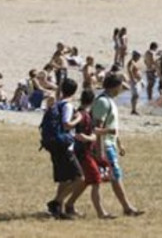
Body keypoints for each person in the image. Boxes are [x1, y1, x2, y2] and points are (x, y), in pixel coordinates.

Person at [92, 73, 144, 217]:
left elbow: (112, 126)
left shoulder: (110, 100)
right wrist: (100, 149)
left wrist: (119, 144)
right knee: (114, 175)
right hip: (105, 145)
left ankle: (66, 203)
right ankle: (127, 208)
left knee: (90, 180)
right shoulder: (103, 102)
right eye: (121, 85)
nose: (123, 88)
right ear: (116, 86)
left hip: (111, 143)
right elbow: (98, 128)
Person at [66, 89, 112, 219]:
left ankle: (69, 204)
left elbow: (90, 131)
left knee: (86, 181)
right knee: (96, 180)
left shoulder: (81, 114)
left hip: (83, 152)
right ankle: (101, 213)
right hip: (83, 153)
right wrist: (90, 138)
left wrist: (106, 131)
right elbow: (88, 135)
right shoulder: (85, 115)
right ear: (93, 101)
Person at [44, 78, 82, 219]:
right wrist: (78, 118)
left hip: (55, 144)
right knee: (79, 178)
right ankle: (56, 202)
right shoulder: (67, 106)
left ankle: (58, 210)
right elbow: (66, 125)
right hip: (63, 145)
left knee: (64, 179)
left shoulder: (57, 104)